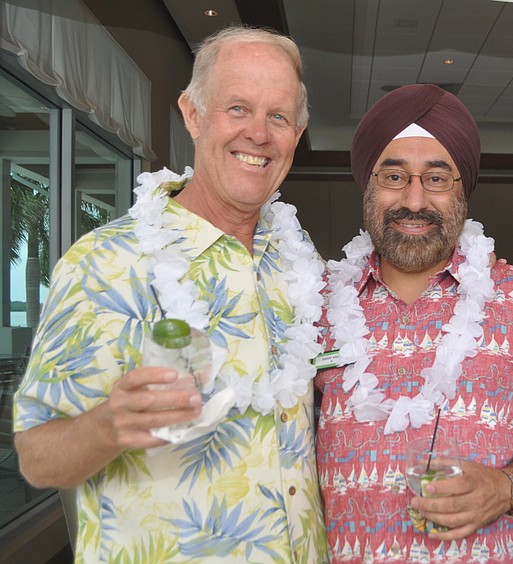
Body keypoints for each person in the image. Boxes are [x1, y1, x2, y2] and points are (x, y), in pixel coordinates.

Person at [13, 26, 329, 562]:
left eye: (278, 117)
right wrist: (107, 426)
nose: (258, 133)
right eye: (237, 108)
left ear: (295, 135)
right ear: (193, 114)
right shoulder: (103, 263)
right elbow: (36, 457)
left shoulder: (299, 263)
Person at [314, 83, 513, 562]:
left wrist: (508, 486)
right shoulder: (317, 304)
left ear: (462, 190)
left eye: (436, 179)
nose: (414, 201)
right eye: (393, 177)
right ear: (367, 186)